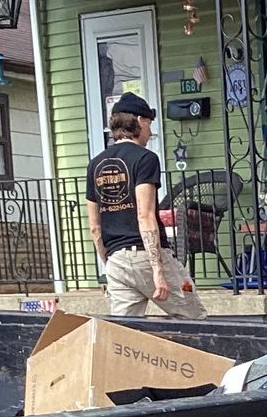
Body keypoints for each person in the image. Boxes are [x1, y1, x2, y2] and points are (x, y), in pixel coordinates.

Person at [85, 92, 206, 319]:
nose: (150, 132)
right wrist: (158, 269)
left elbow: (95, 226)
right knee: (193, 315)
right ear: (139, 121)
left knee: (124, 333)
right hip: (146, 257)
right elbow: (145, 215)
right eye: (149, 124)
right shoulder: (145, 159)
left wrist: (108, 263)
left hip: (116, 262)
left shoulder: (95, 165)